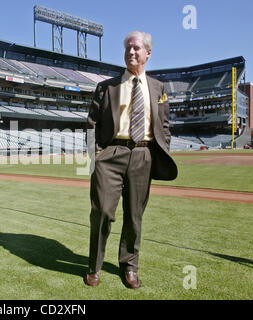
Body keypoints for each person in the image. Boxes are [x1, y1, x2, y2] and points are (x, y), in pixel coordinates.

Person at [85, 31, 178, 289]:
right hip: (111, 154)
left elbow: (165, 126)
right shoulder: (106, 87)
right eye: (127, 48)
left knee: (134, 216)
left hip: (143, 155)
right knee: (102, 212)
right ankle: (95, 266)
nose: (131, 52)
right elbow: (91, 124)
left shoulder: (159, 88)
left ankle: (130, 266)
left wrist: (160, 149)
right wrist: (97, 155)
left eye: (136, 48)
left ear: (148, 53)